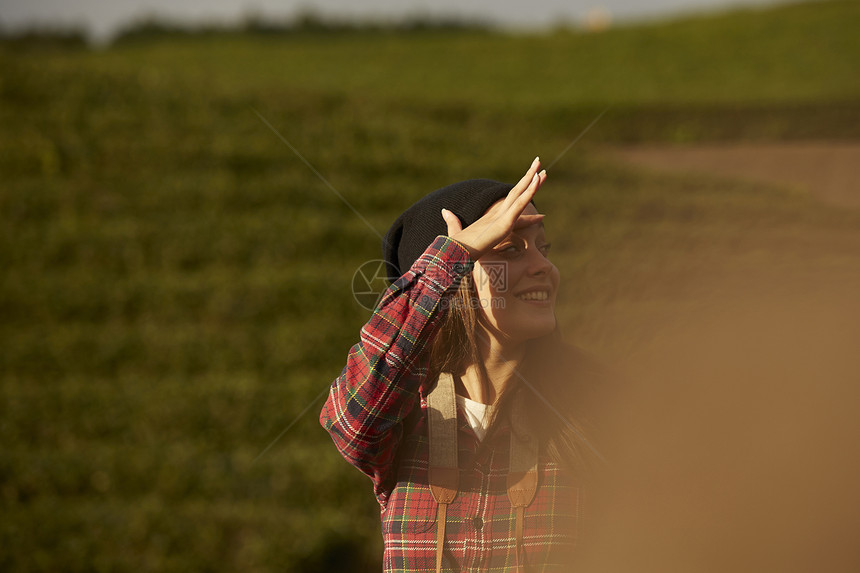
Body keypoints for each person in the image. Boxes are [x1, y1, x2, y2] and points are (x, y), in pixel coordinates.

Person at [320, 157, 608, 572]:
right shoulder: (406, 417)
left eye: (543, 249)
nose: (543, 266)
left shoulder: (596, 407)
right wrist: (456, 253)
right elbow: (351, 418)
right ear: (453, 282)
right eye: (509, 249)